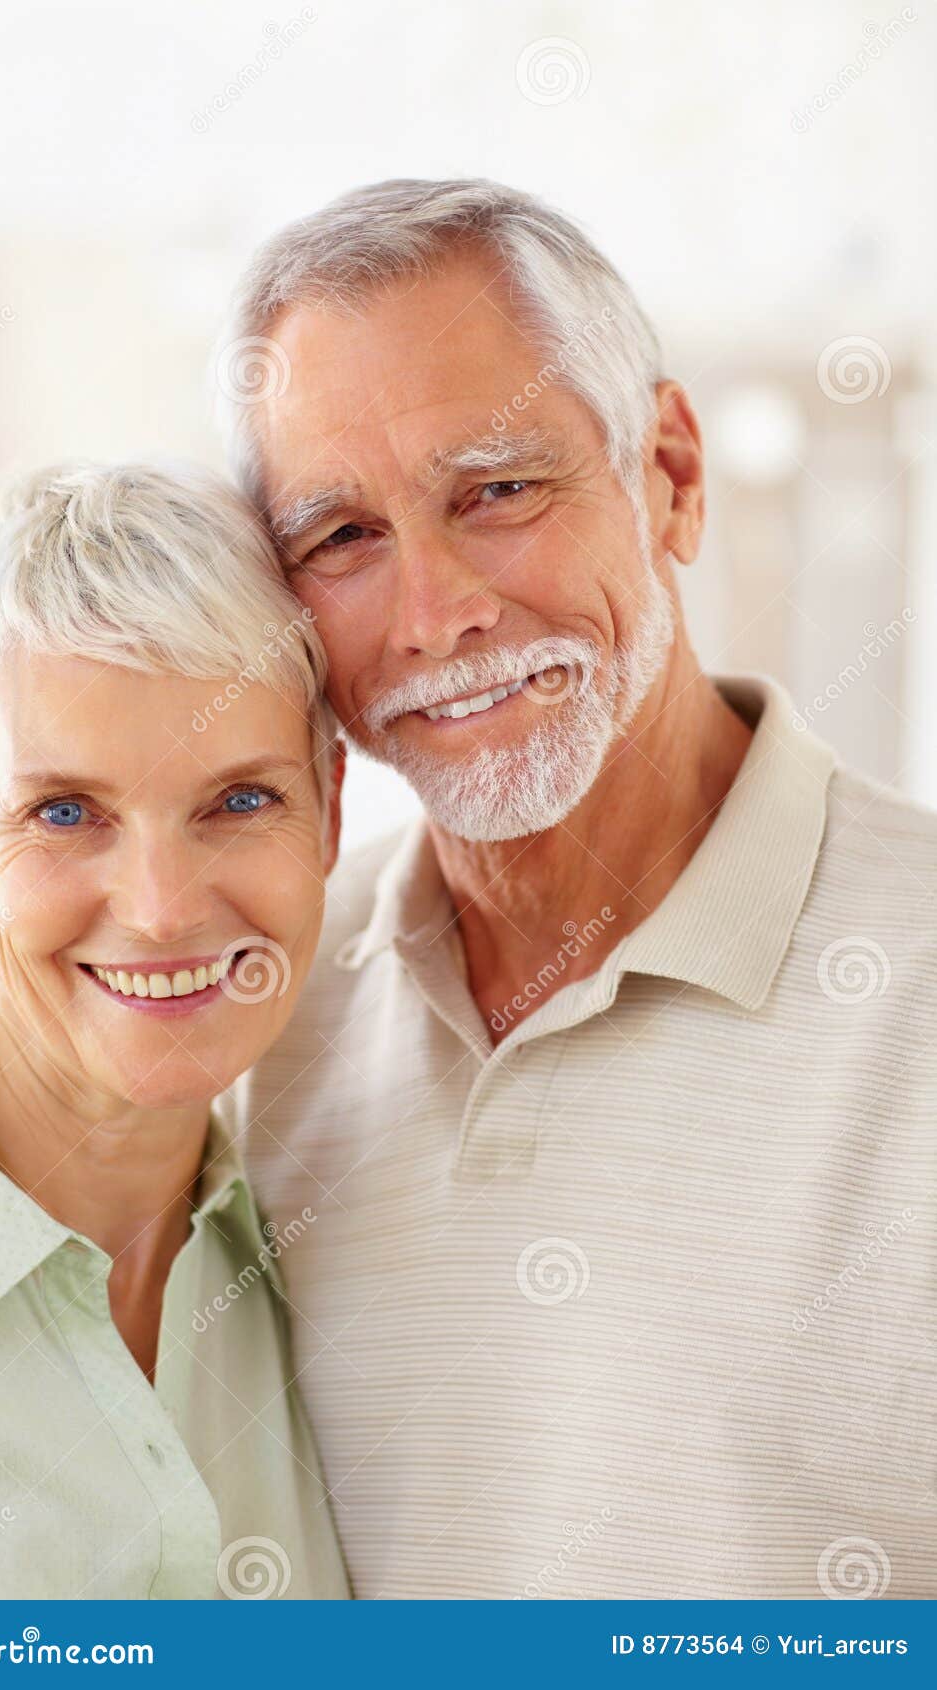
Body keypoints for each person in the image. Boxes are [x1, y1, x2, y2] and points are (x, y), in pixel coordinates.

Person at [220, 178, 937, 1599]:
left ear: (667, 473)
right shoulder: (254, 1021)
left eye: (495, 490)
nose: (435, 616)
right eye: (340, 538)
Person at [0, 460, 350, 1601]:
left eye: (239, 801)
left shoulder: (326, 1260)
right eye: (64, 813)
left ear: (330, 810)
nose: (161, 908)